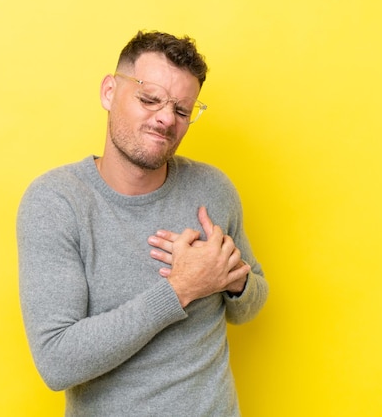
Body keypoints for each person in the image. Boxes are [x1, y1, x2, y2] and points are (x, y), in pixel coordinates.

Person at [17, 30, 269, 416]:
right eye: (149, 99)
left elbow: (249, 303)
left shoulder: (213, 189)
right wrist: (182, 288)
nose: (166, 118)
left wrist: (232, 279)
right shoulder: (56, 202)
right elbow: (57, 361)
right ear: (108, 93)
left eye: (182, 111)